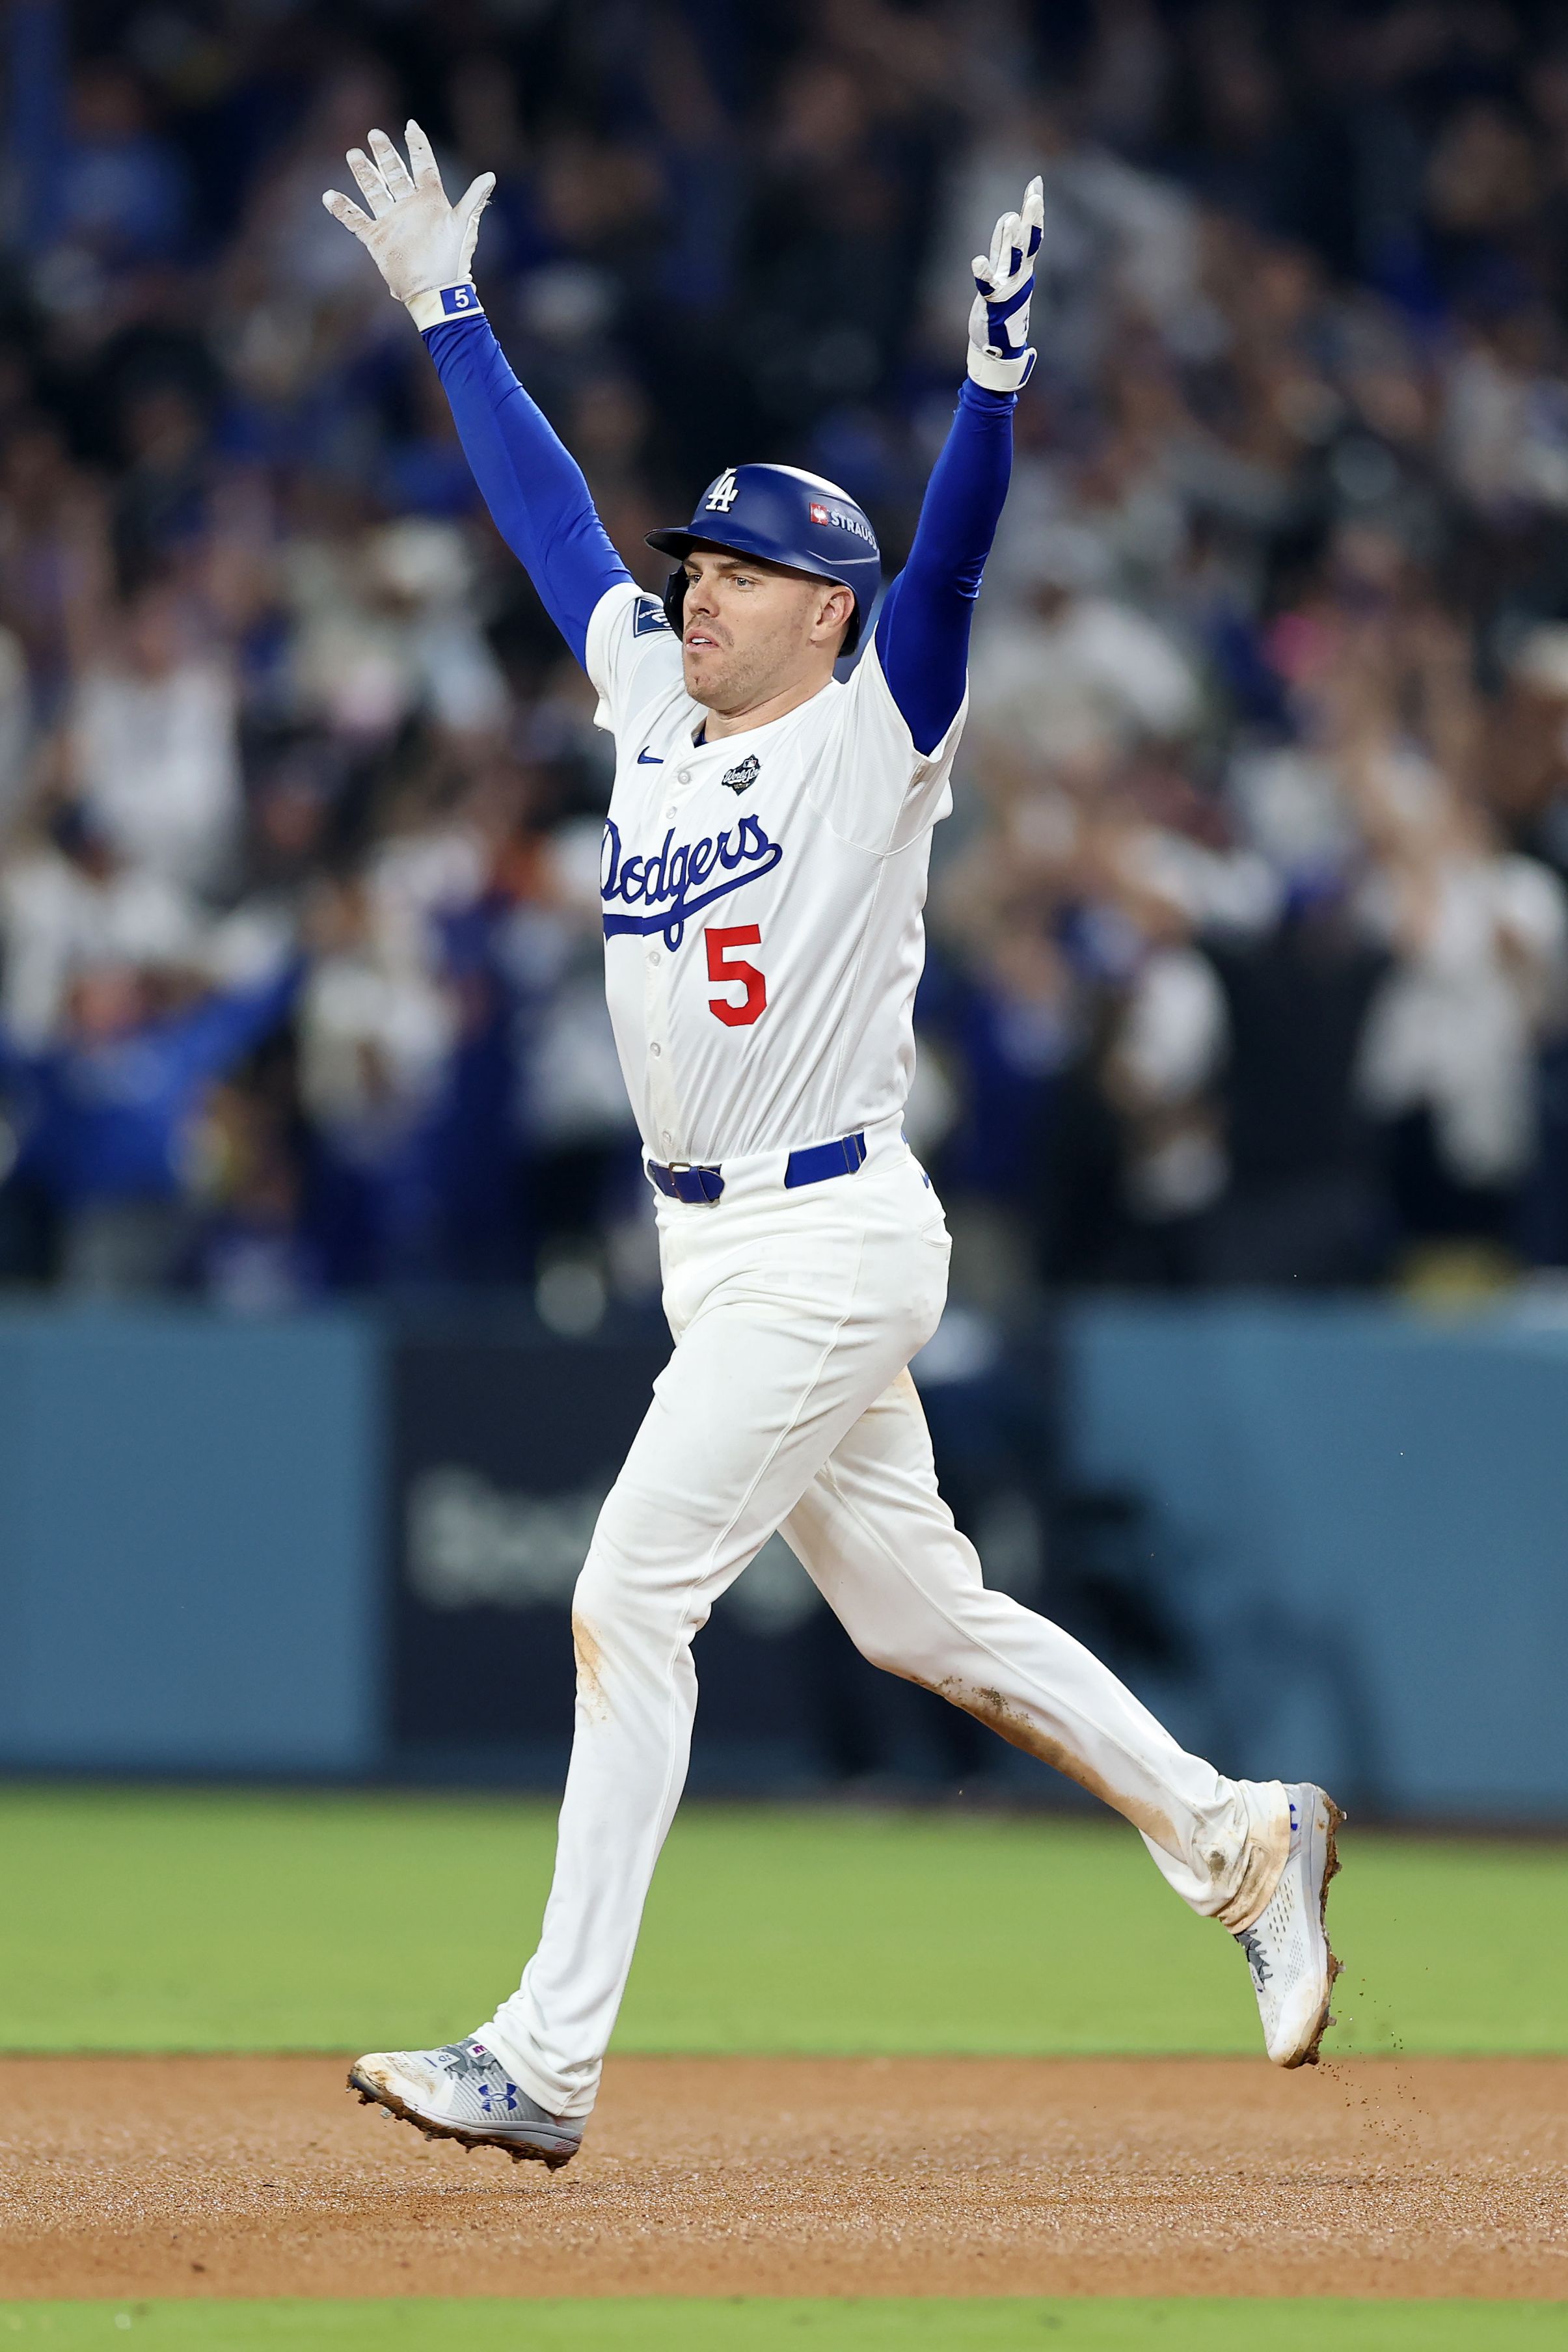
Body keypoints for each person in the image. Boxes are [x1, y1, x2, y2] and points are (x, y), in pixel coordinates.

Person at [324, 122, 1344, 2171]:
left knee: (629, 1593)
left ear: (825, 611)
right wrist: (450, 316)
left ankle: (547, 2053)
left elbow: (955, 560)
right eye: (691, 561)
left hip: (826, 1234)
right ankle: (1238, 1835)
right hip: (719, 1250)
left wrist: (986, 391)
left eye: (734, 572)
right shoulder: (650, 709)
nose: (690, 588)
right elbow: (542, 520)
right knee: (921, 1620)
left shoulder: (877, 727)